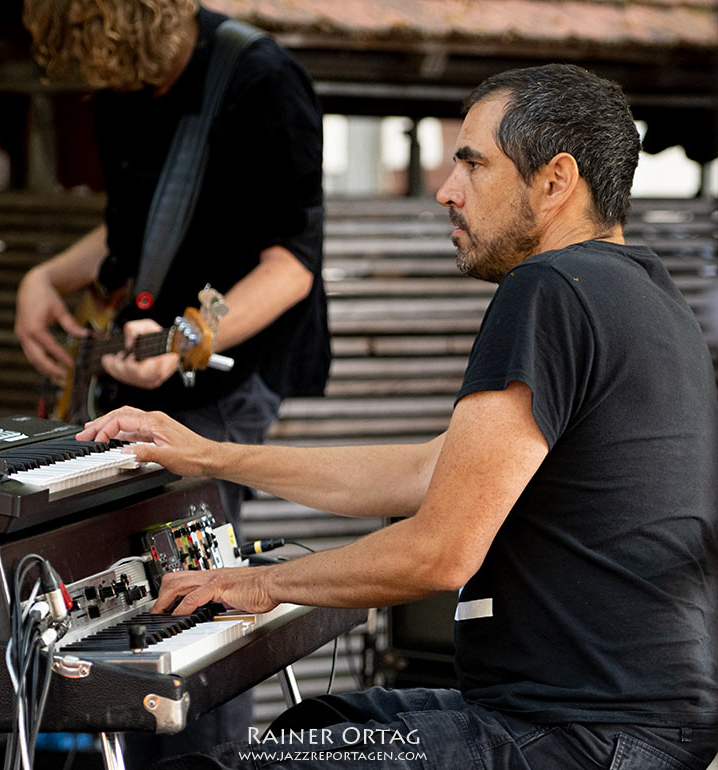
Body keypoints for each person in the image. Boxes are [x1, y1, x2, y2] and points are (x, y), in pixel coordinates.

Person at [78, 63, 718, 770]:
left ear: (555, 180)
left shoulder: (549, 289)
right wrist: (211, 457)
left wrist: (256, 582)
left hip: (575, 735)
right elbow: (429, 470)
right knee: (312, 727)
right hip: (618, 728)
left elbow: (441, 551)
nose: (447, 191)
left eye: (474, 165)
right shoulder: (649, 299)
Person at [13, 0, 330, 759]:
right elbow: (132, 227)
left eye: (122, 63)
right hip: (144, 368)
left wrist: (186, 339)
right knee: (125, 579)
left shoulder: (262, 82)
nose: (112, 81)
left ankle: (206, 757)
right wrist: (44, 277)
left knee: (201, 583)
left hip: (227, 371)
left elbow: (290, 262)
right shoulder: (125, 86)